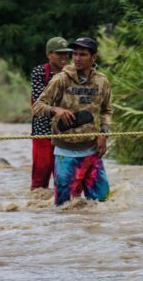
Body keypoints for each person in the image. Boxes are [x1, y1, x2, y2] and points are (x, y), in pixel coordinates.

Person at [32, 37, 112, 206]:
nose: (77, 58)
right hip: (65, 153)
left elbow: (106, 111)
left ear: (93, 58)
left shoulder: (102, 81)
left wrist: (104, 134)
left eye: (82, 54)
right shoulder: (61, 79)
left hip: (92, 151)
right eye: (75, 54)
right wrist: (56, 110)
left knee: (102, 204)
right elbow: (38, 106)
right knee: (64, 208)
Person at [30, 37, 72, 190]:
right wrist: (57, 109)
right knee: (40, 177)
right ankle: (37, 209)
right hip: (43, 131)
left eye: (66, 53)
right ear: (49, 54)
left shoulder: (73, 73)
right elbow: (38, 101)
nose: (64, 57)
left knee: (65, 179)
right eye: (59, 53)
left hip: (66, 131)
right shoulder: (39, 72)